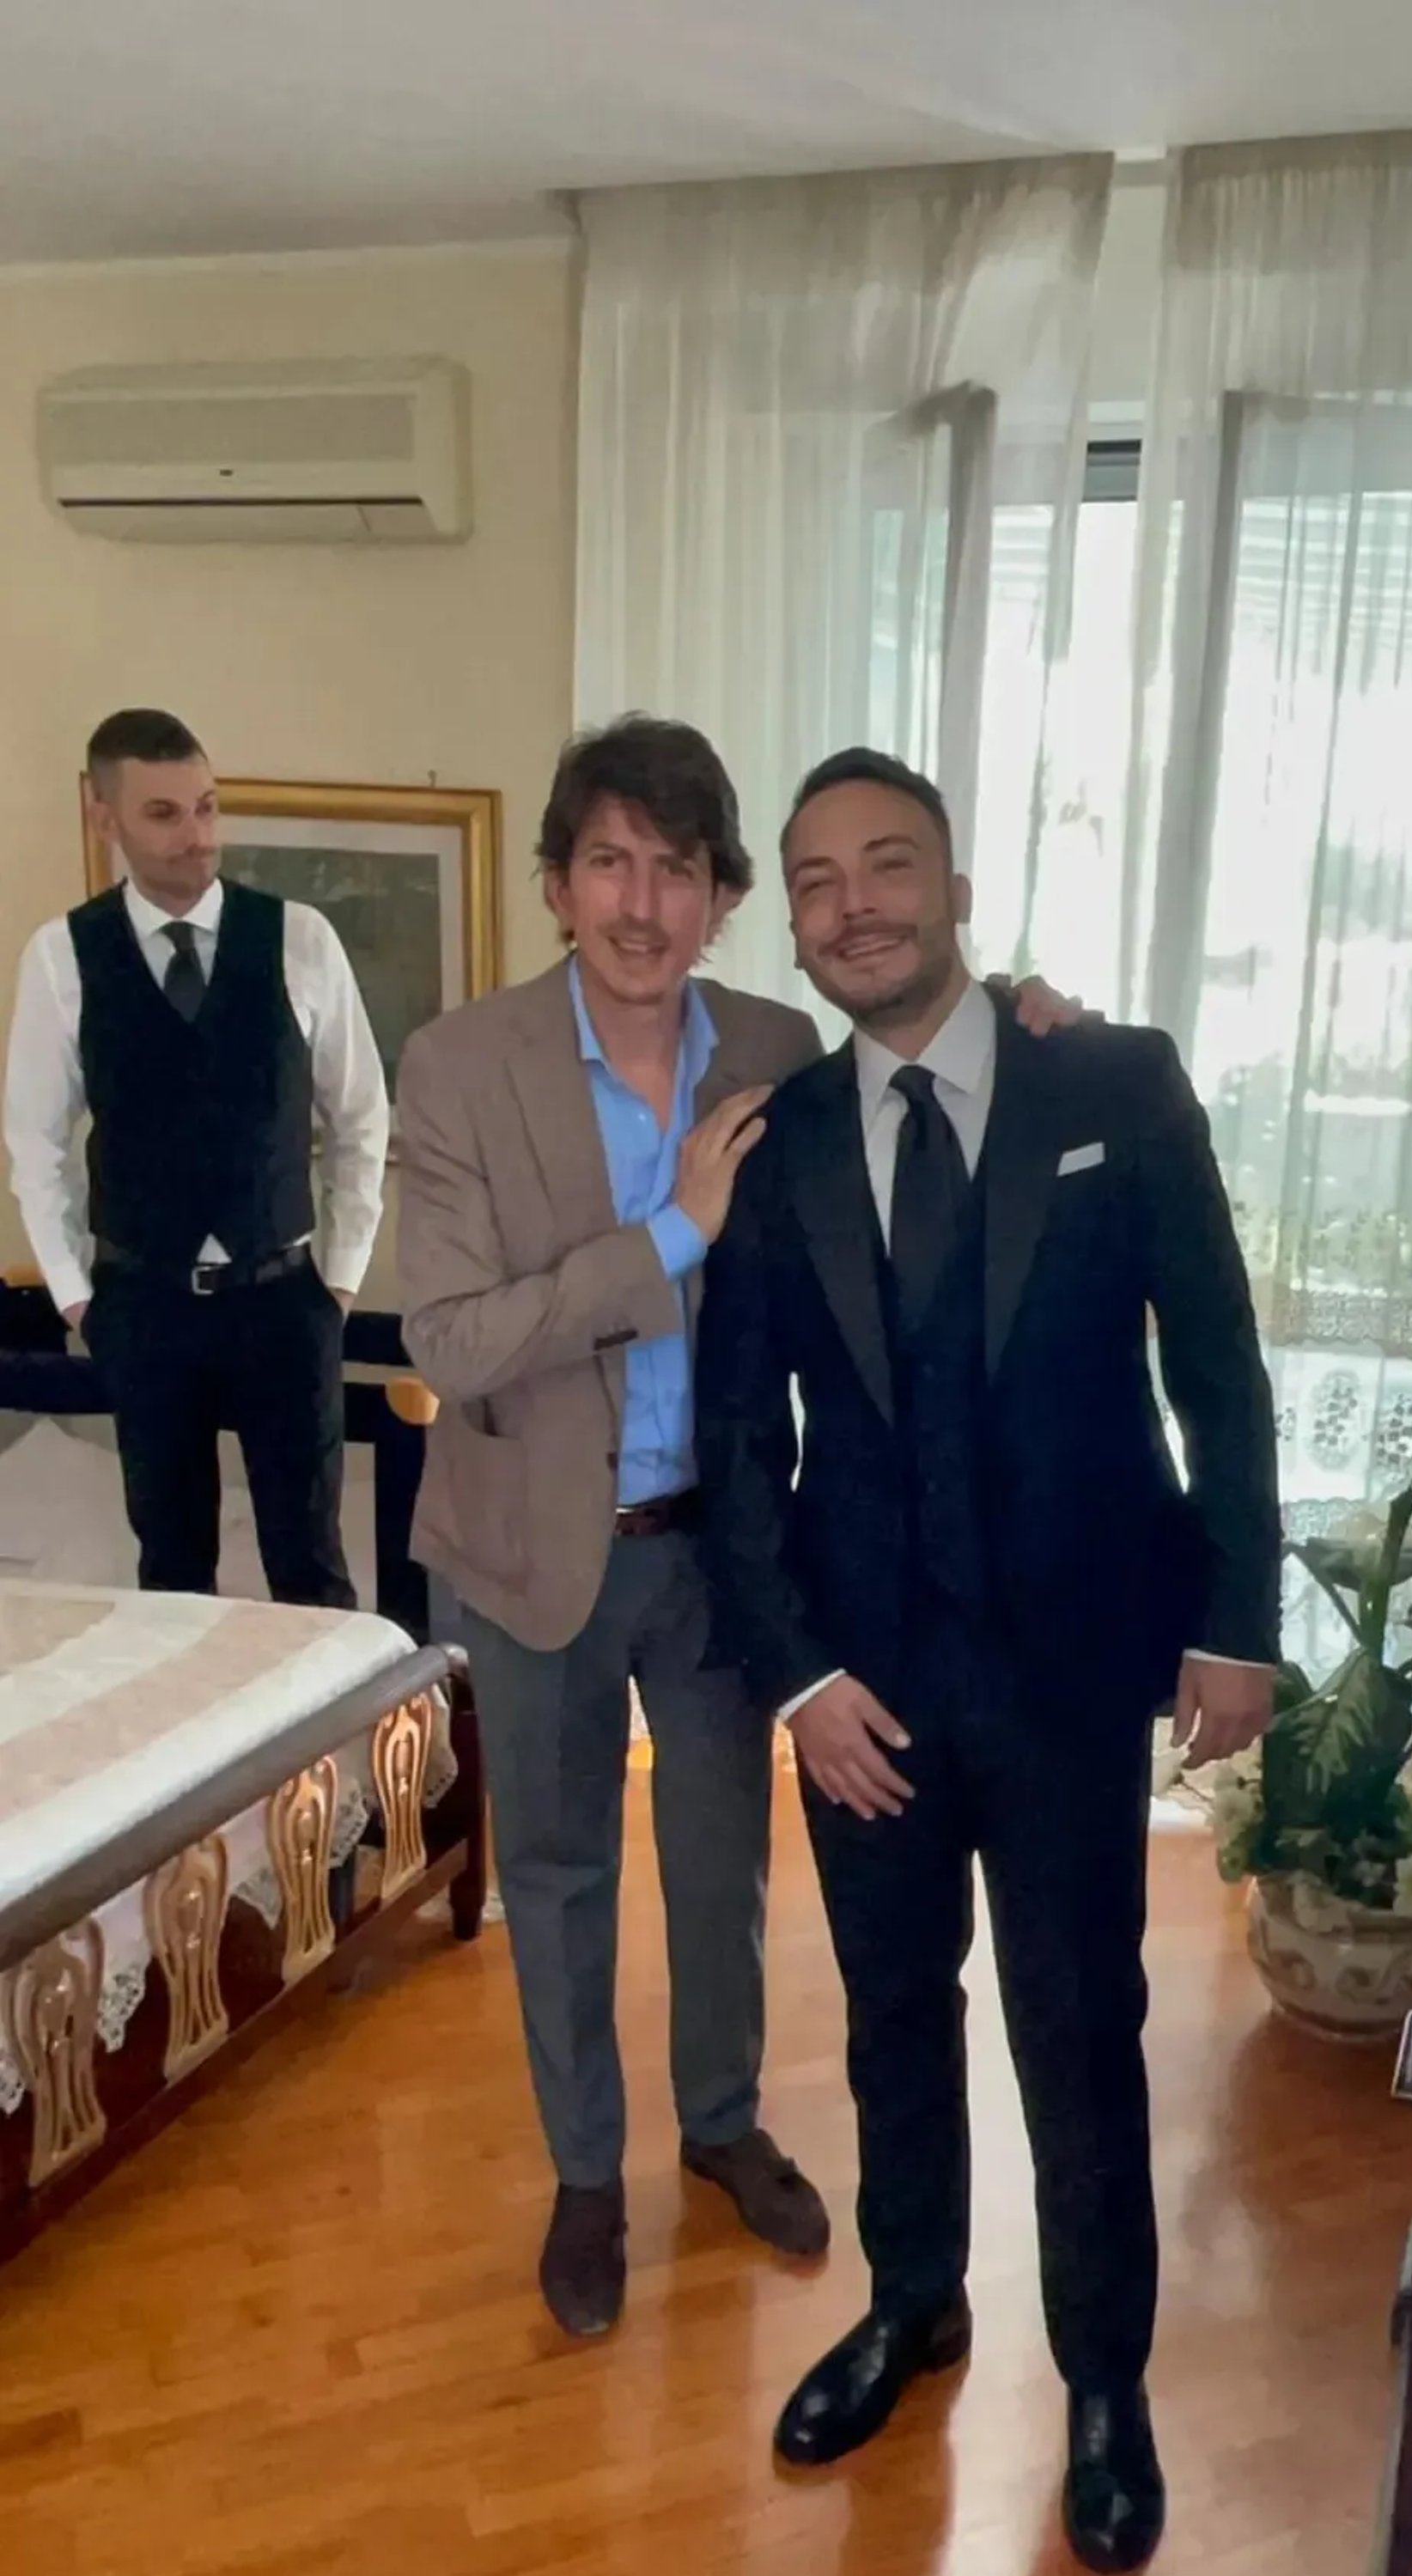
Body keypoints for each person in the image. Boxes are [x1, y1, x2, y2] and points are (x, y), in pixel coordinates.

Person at [395, 714, 1074, 2342]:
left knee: (724, 1867)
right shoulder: (460, 1064)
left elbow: (931, 1046)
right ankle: (585, 2175)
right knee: (558, 1871)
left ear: (720, 899)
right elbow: (452, 1340)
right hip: (531, 1556)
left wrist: (1038, 1015)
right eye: (609, 864)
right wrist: (670, 1236)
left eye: (678, 870)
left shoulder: (775, 1045)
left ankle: (719, 2123)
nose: (642, 904)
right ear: (557, 885)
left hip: (723, 1554)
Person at [694, 747, 1281, 2576]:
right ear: (794, 923)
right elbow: (740, 1441)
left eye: (888, 865)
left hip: (1074, 1670)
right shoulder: (781, 1143)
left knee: (1079, 2023)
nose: (852, 903)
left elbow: (1219, 1365)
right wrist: (799, 1678)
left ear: (956, 887)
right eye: (815, 880)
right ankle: (913, 2298)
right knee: (889, 2010)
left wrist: (1236, 1616)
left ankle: (1104, 2380)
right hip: (867, 1692)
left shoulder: (1112, 1080)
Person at [3, 709, 388, 1608]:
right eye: (166, 813)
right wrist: (76, 1294)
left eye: (208, 806)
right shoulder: (63, 957)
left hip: (283, 1297)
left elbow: (361, 1116)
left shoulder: (299, 938)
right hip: (143, 1303)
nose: (199, 835)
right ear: (105, 816)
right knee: (171, 1572)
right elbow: (35, 1142)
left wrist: (338, 1281)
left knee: (311, 1570)